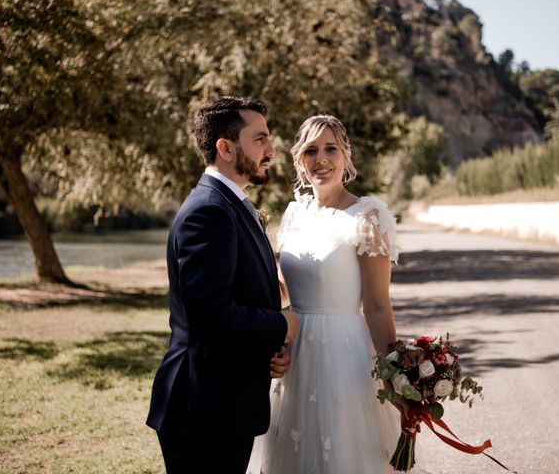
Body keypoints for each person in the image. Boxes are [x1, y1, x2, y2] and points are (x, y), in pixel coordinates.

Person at [248, 115, 425, 473]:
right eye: (311, 150)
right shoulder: (295, 213)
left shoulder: (367, 217)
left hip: (345, 358)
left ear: (346, 155)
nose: (322, 159)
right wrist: (274, 341)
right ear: (299, 159)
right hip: (294, 355)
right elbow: (285, 290)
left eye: (331, 149)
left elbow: (376, 306)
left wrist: (395, 376)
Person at [146, 96, 299, 474]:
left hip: (222, 402)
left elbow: (240, 294)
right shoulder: (208, 211)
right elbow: (209, 313)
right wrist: (283, 324)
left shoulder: (229, 204)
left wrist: (270, 346)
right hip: (204, 407)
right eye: (260, 138)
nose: (271, 149)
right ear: (225, 148)